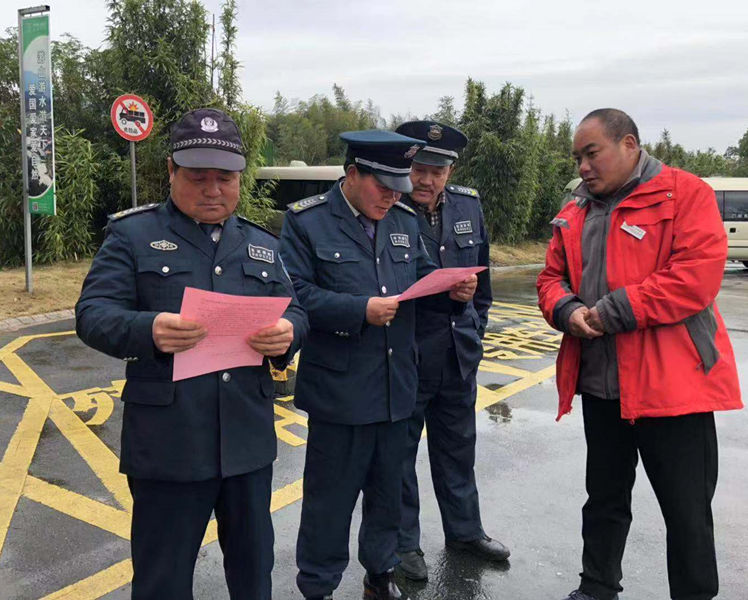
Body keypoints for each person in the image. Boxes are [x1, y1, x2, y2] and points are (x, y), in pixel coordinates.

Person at [76, 108, 308, 600]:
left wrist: (288, 332)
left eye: (225, 179)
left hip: (246, 441)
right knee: (162, 579)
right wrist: (148, 329)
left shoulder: (262, 243)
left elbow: (296, 310)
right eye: (198, 178)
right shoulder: (132, 235)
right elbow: (92, 314)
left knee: (254, 571)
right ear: (171, 171)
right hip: (169, 444)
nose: (212, 190)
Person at [536, 108, 742, 600]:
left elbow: (694, 278)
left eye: (592, 153)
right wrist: (566, 310)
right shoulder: (576, 208)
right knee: (604, 498)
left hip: (673, 388)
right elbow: (551, 277)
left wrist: (611, 311)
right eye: (577, 157)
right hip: (601, 385)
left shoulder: (685, 194)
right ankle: (596, 586)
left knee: (687, 510)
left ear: (629, 144)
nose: (583, 166)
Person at [280, 130, 478, 600]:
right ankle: (318, 586)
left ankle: (380, 573)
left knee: (389, 493)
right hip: (340, 392)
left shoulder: (402, 220)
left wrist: (452, 290)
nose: (392, 197)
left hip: (397, 386)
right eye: (383, 186)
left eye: (398, 188)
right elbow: (293, 295)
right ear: (353, 174)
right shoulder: (308, 222)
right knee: (329, 501)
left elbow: (422, 278)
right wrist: (358, 310)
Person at [392, 120, 508, 581]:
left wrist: (476, 328)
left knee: (458, 449)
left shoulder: (467, 204)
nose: (426, 180)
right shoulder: (387, 206)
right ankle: (403, 544)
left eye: (436, 171)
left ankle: (465, 531)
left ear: (450, 171)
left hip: (458, 354)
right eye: (419, 169)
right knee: (398, 456)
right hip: (406, 354)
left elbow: (484, 282)